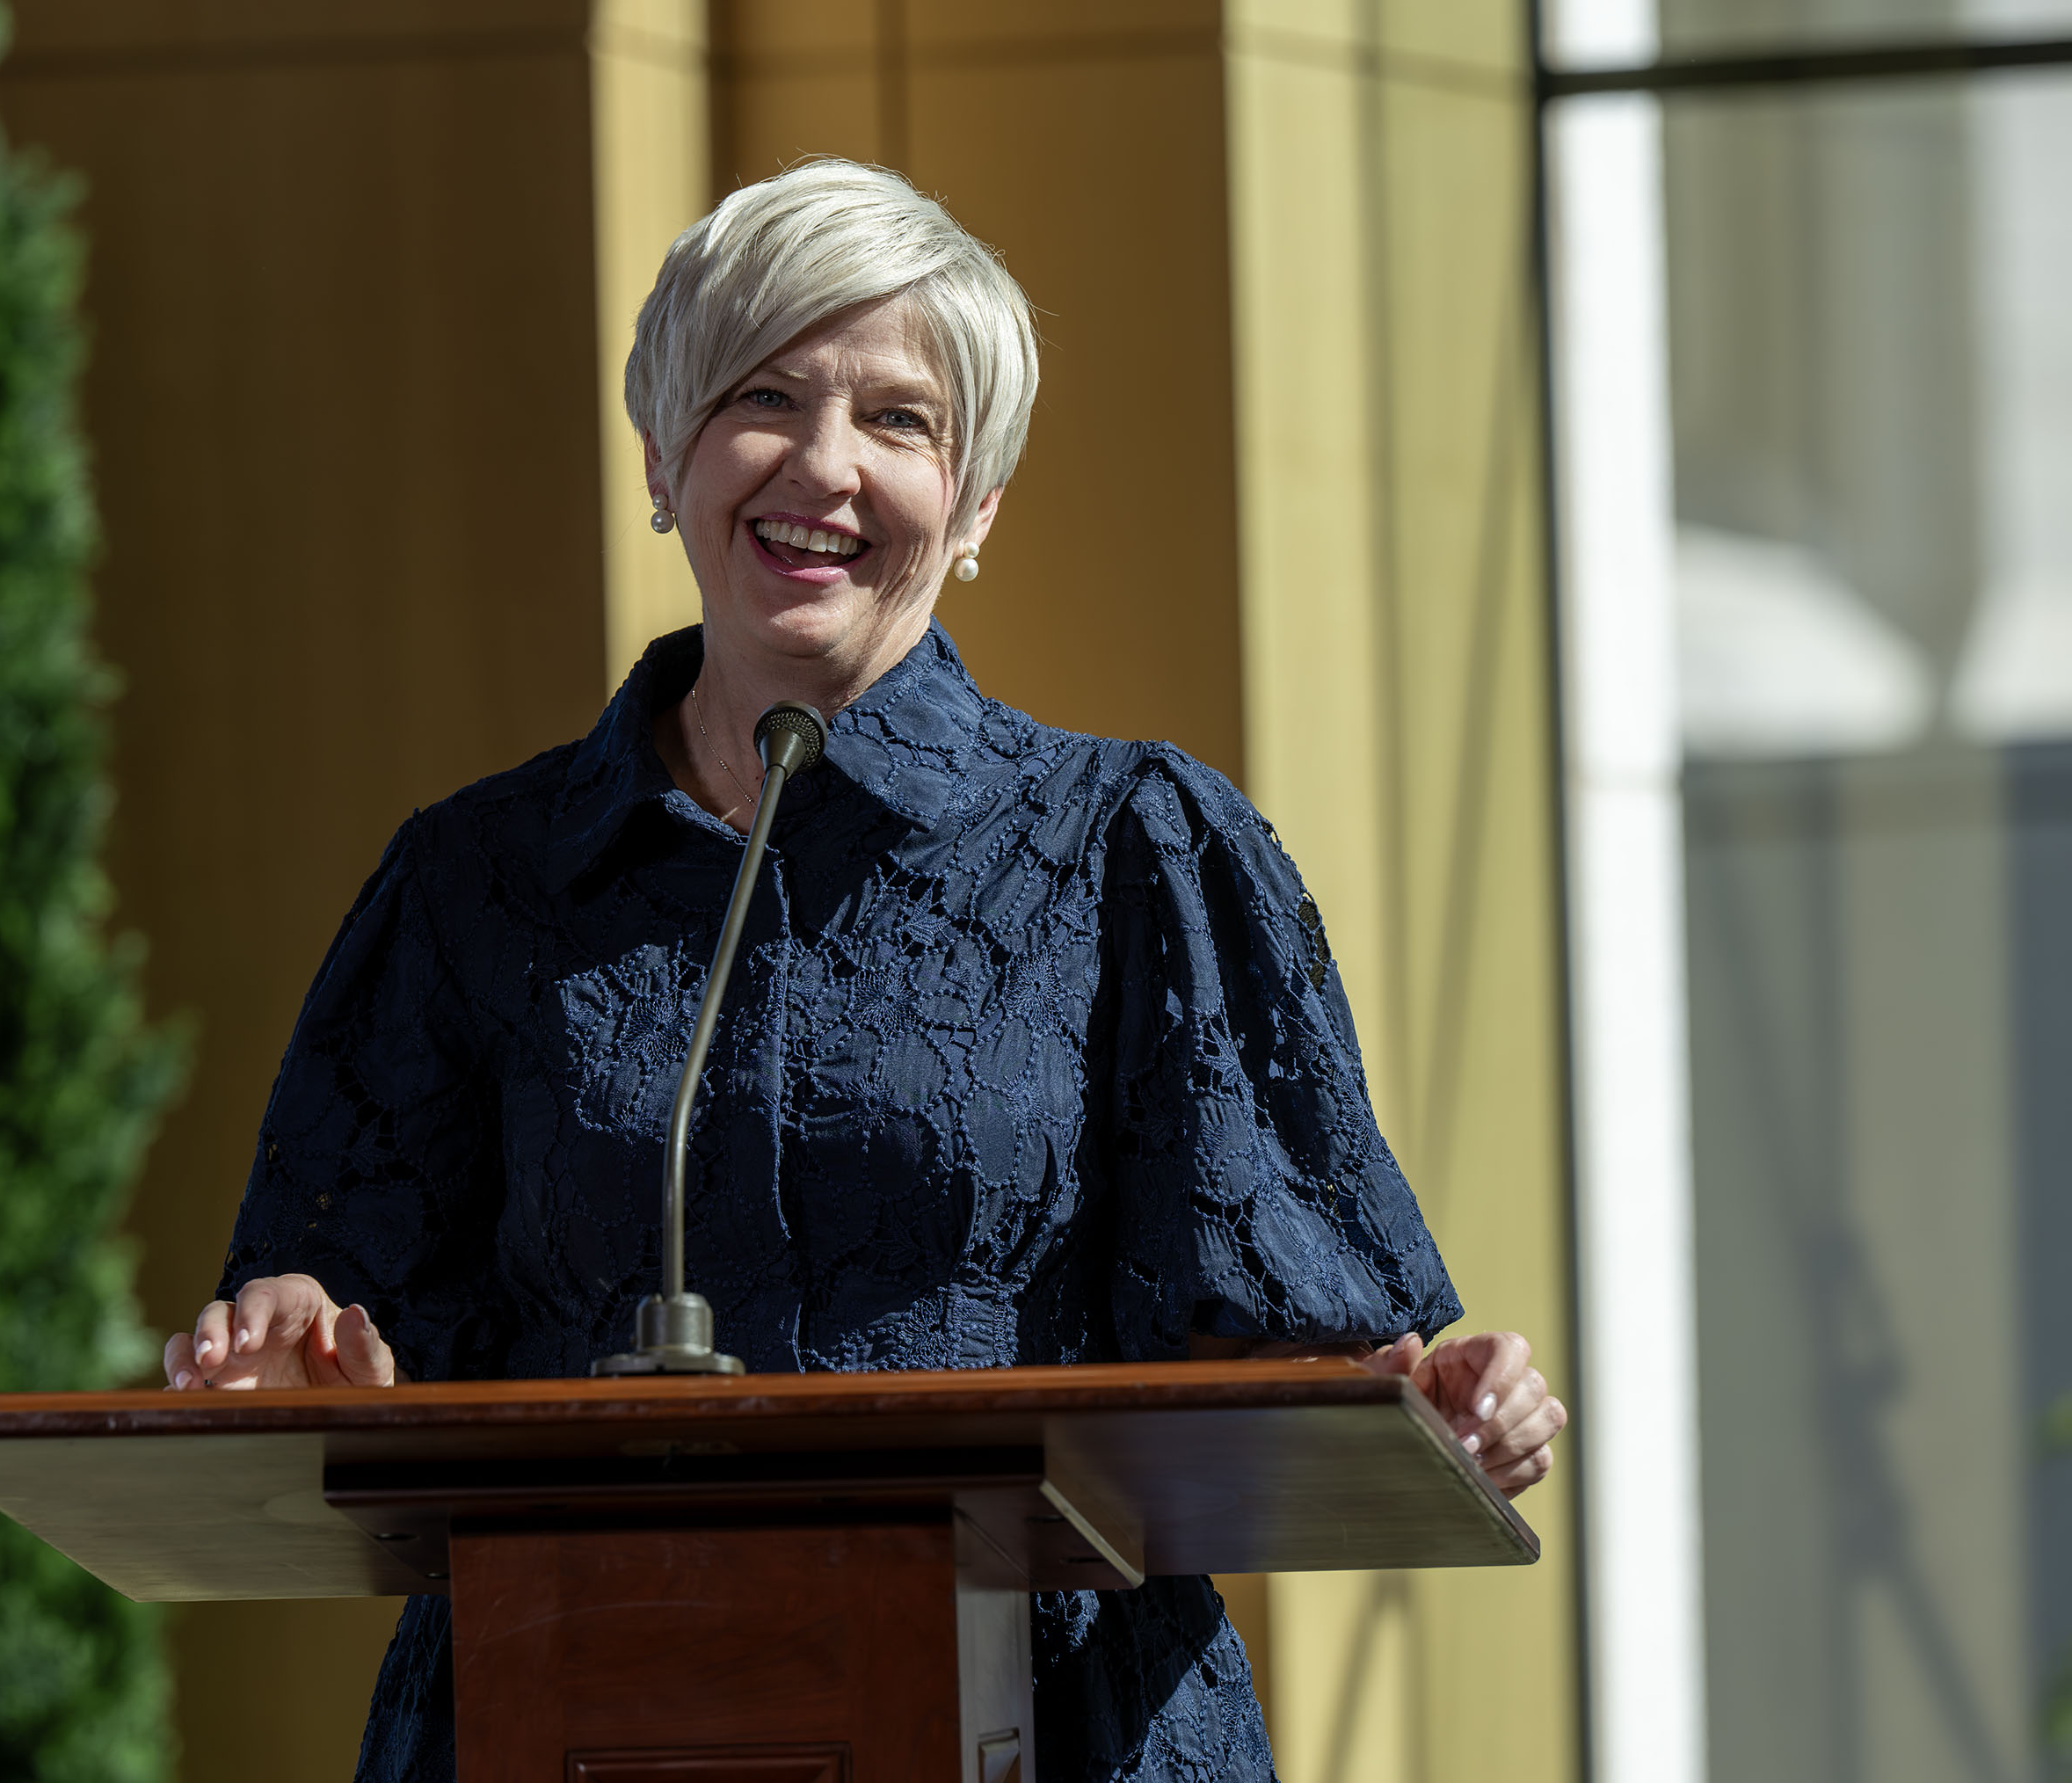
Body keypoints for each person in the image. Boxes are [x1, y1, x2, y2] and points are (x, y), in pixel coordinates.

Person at [163, 158, 1565, 1781]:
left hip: (1048, 1722)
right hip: (565, 1706)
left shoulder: (1135, 849)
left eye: (900, 421)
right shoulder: (476, 879)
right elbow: (351, 1318)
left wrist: (1428, 1405)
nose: (822, 466)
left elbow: (1300, 1358)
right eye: (762, 396)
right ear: (663, 455)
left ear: (973, 511)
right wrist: (297, 1344)